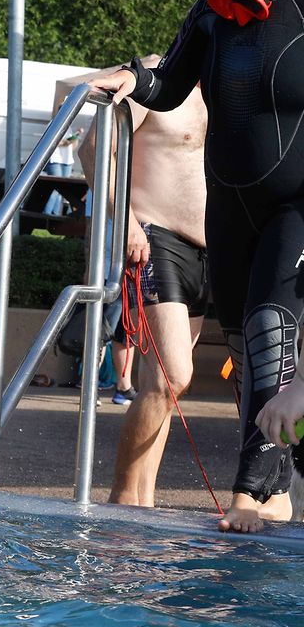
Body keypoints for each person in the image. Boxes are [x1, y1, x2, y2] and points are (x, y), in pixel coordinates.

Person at [92, 0, 304, 533]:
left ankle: (250, 494)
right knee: (244, 351)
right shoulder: (213, 9)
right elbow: (170, 86)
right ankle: (278, 490)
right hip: (229, 215)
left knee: (268, 334)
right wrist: (134, 81)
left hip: (295, 207)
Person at [80, 56, 208, 508]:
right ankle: (122, 499)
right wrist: (127, 221)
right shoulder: (151, 76)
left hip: (209, 249)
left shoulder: (229, 83)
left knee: (166, 385)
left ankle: (142, 499)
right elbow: (92, 148)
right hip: (156, 238)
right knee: (173, 374)